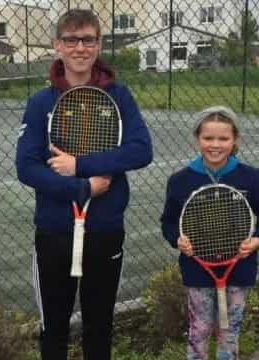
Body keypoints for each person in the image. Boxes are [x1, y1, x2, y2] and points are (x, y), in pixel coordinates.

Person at [15, 8, 153, 360]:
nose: (80, 47)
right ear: (57, 46)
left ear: (99, 44)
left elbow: (141, 150)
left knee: (99, 327)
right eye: (72, 40)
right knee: (54, 329)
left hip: (105, 230)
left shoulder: (119, 97)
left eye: (88, 39)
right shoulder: (41, 103)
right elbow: (27, 167)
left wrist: (80, 165)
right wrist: (81, 188)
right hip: (54, 232)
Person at [161, 105, 259, 360]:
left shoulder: (251, 178)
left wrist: (256, 239)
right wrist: (177, 240)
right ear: (197, 139)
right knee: (200, 329)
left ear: (235, 139)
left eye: (223, 138)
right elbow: (169, 222)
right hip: (197, 268)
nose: (215, 145)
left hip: (240, 267)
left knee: (229, 331)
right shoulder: (180, 181)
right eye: (208, 138)